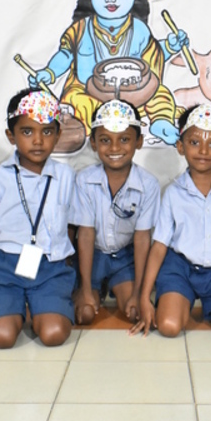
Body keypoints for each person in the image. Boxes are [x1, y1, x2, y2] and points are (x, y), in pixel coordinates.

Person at [29, 0, 188, 145]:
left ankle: (161, 122)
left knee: (159, 94)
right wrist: (50, 72)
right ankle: (95, 129)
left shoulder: (140, 29)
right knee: (78, 103)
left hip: (134, 93)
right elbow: (65, 55)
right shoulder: (80, 29)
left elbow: (152, 54)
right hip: (89, 91)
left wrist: (169, 47)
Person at [131, 103, 211, 338]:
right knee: (169, 327)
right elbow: (159, 246)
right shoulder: (173, 193)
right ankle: (182, 300)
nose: (203, 150)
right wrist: (144, 295)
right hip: (179, 270)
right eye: (194, 142)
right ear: (181, 147)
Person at [0, 88, 76, 349]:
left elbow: (73, 229)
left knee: (54, 334)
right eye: (27, 132)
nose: (38, 141)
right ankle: (13, 305)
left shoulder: (66, 176)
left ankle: (41, 306)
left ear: (58, 135)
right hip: (4, 268)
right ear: (11, 136)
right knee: (2, 338)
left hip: (50, 269)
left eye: (47, 132)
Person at [71, 99, 160, 325]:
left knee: (134, 313)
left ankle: (117, 285)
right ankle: (94, 287)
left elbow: (142, 238)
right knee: (85, 314)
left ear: (139, 141)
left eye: (124, 139)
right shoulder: (84, 180)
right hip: (92, 256)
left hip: (124, 258)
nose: (114, 148)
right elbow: (86, 234)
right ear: (93, 143)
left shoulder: (148, 184)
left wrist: (138, 292)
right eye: (105, 140)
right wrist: (85, 288)